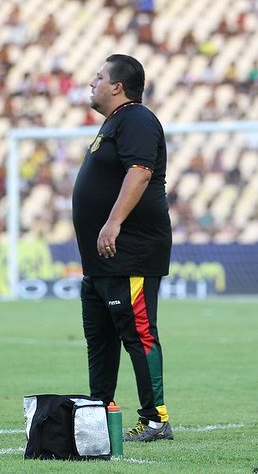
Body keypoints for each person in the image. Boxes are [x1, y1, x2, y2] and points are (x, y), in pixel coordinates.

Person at [71, 54, 173, 443]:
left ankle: (156, 419)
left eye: (98, 77)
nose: (91, 82)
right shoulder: (114, 123)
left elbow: (140, 172)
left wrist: (113, 222)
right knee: (99, 339)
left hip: (130, 252)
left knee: (138, 333)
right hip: (101, 261)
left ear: (117, 87)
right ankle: (100, 413)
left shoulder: (136, 119)